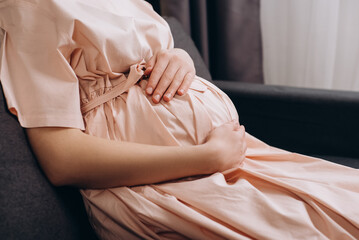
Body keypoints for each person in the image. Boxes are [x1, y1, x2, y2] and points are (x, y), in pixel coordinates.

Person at [0, 0, 358, 239]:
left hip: (237, 161)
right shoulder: (27, 6)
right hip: (158, 188)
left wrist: (178, 58)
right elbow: (61, 159)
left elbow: (143, 54)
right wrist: (207, 157)